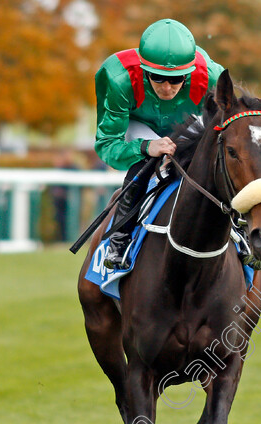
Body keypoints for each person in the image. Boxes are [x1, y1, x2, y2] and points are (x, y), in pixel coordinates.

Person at [94, 18, 225, 269]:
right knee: (149, 161)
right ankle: (119, 240)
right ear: (144, 70)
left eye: (176, 80)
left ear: (188, 73)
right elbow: (107, 146)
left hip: (189, 123)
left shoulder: (212, 77)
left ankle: (243, 234)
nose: (167, 88)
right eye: (157, 77)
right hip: (139, 126)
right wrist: (145, 148)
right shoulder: (117, 77)